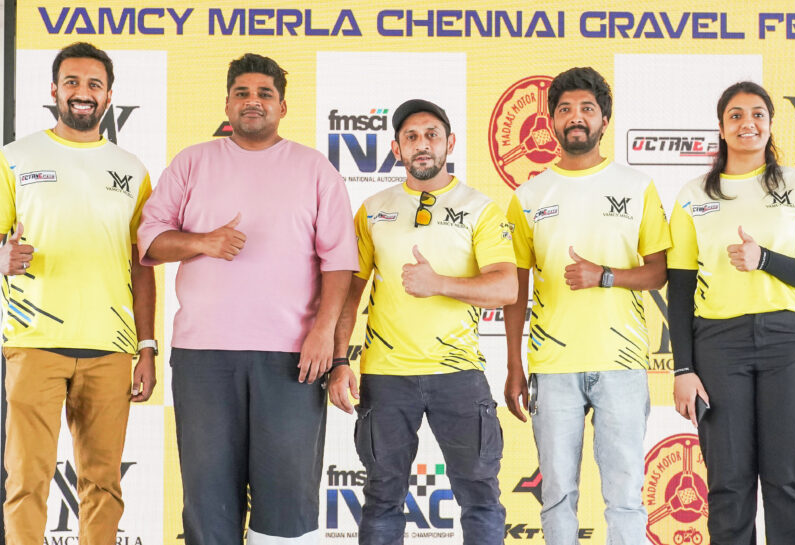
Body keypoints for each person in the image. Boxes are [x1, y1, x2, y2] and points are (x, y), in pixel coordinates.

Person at [137, 53, 357, 545]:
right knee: (208, 496)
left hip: (292, 357)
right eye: (242, 93)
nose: (252, 101)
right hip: (203, 358)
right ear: (228, 103)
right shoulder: (192, 162)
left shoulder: (315, 169)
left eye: (264, 94)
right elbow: (148, 240)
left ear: (282, 106)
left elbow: (340, 262)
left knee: (289, 499)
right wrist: (201, 241)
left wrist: (324, 334)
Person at [328, 99, 517, 545]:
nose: (422, 144)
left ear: (450, 143)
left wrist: (439, 283)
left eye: (432, 135)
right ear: (396, 149)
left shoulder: (481, 208)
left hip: (459, 375)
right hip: (387, 377)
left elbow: (506, 288)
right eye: (411, 137)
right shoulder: (373, 210)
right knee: (382, 498)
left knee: (481, 498)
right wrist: (339, 361)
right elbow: (347, 296)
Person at [503, 67, 670, 545]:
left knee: (625, 497)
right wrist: (515, 365)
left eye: (586, 109)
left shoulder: (637, 186)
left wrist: (606, 277)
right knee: (556, 495)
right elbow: (515, 290)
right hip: (552, 367)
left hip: (622, 363)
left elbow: (659, 271)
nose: (576, 118)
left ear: (604, 119)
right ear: (551, 122)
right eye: (565, 110)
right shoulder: (529, 196)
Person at [0, 42, 157, 545]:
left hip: (111, 348)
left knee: (103, 485)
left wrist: (148, 346)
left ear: (109, 96)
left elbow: (143, 264)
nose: (82, 93)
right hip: (34, 340)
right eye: (72, 82)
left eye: (93, 84)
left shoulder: (132, 170)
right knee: (27, 481)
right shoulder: (15, 158)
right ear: (53, 90)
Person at [669, 81, 795, 545]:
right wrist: (683, 367)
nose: (746, 123)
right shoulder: (693, 194)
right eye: (735, 115)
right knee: (728, 481)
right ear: (720, 127)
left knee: (788, 477)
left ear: (771, 124)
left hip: (792, 340)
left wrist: (766, 260)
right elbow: (679, 289)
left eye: (757, 114)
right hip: (719, 345)